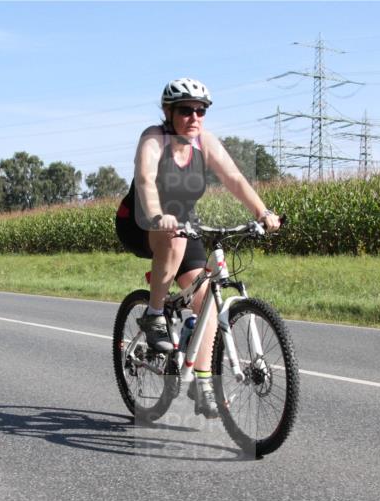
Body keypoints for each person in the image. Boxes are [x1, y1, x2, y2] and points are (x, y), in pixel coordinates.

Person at [115, 77, 281, 418]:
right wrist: (158, 214)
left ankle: (203, 383)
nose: (194, 117)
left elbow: (234, 179)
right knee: (173, 242)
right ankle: (154, 314)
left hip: (181, 224)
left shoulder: (204, 143)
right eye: (186, 110)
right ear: (169, 112)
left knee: (206, 300)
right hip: (141, 221)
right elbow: (146, 179)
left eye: (200, 111)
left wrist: (261, 213)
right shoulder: (153, 139)